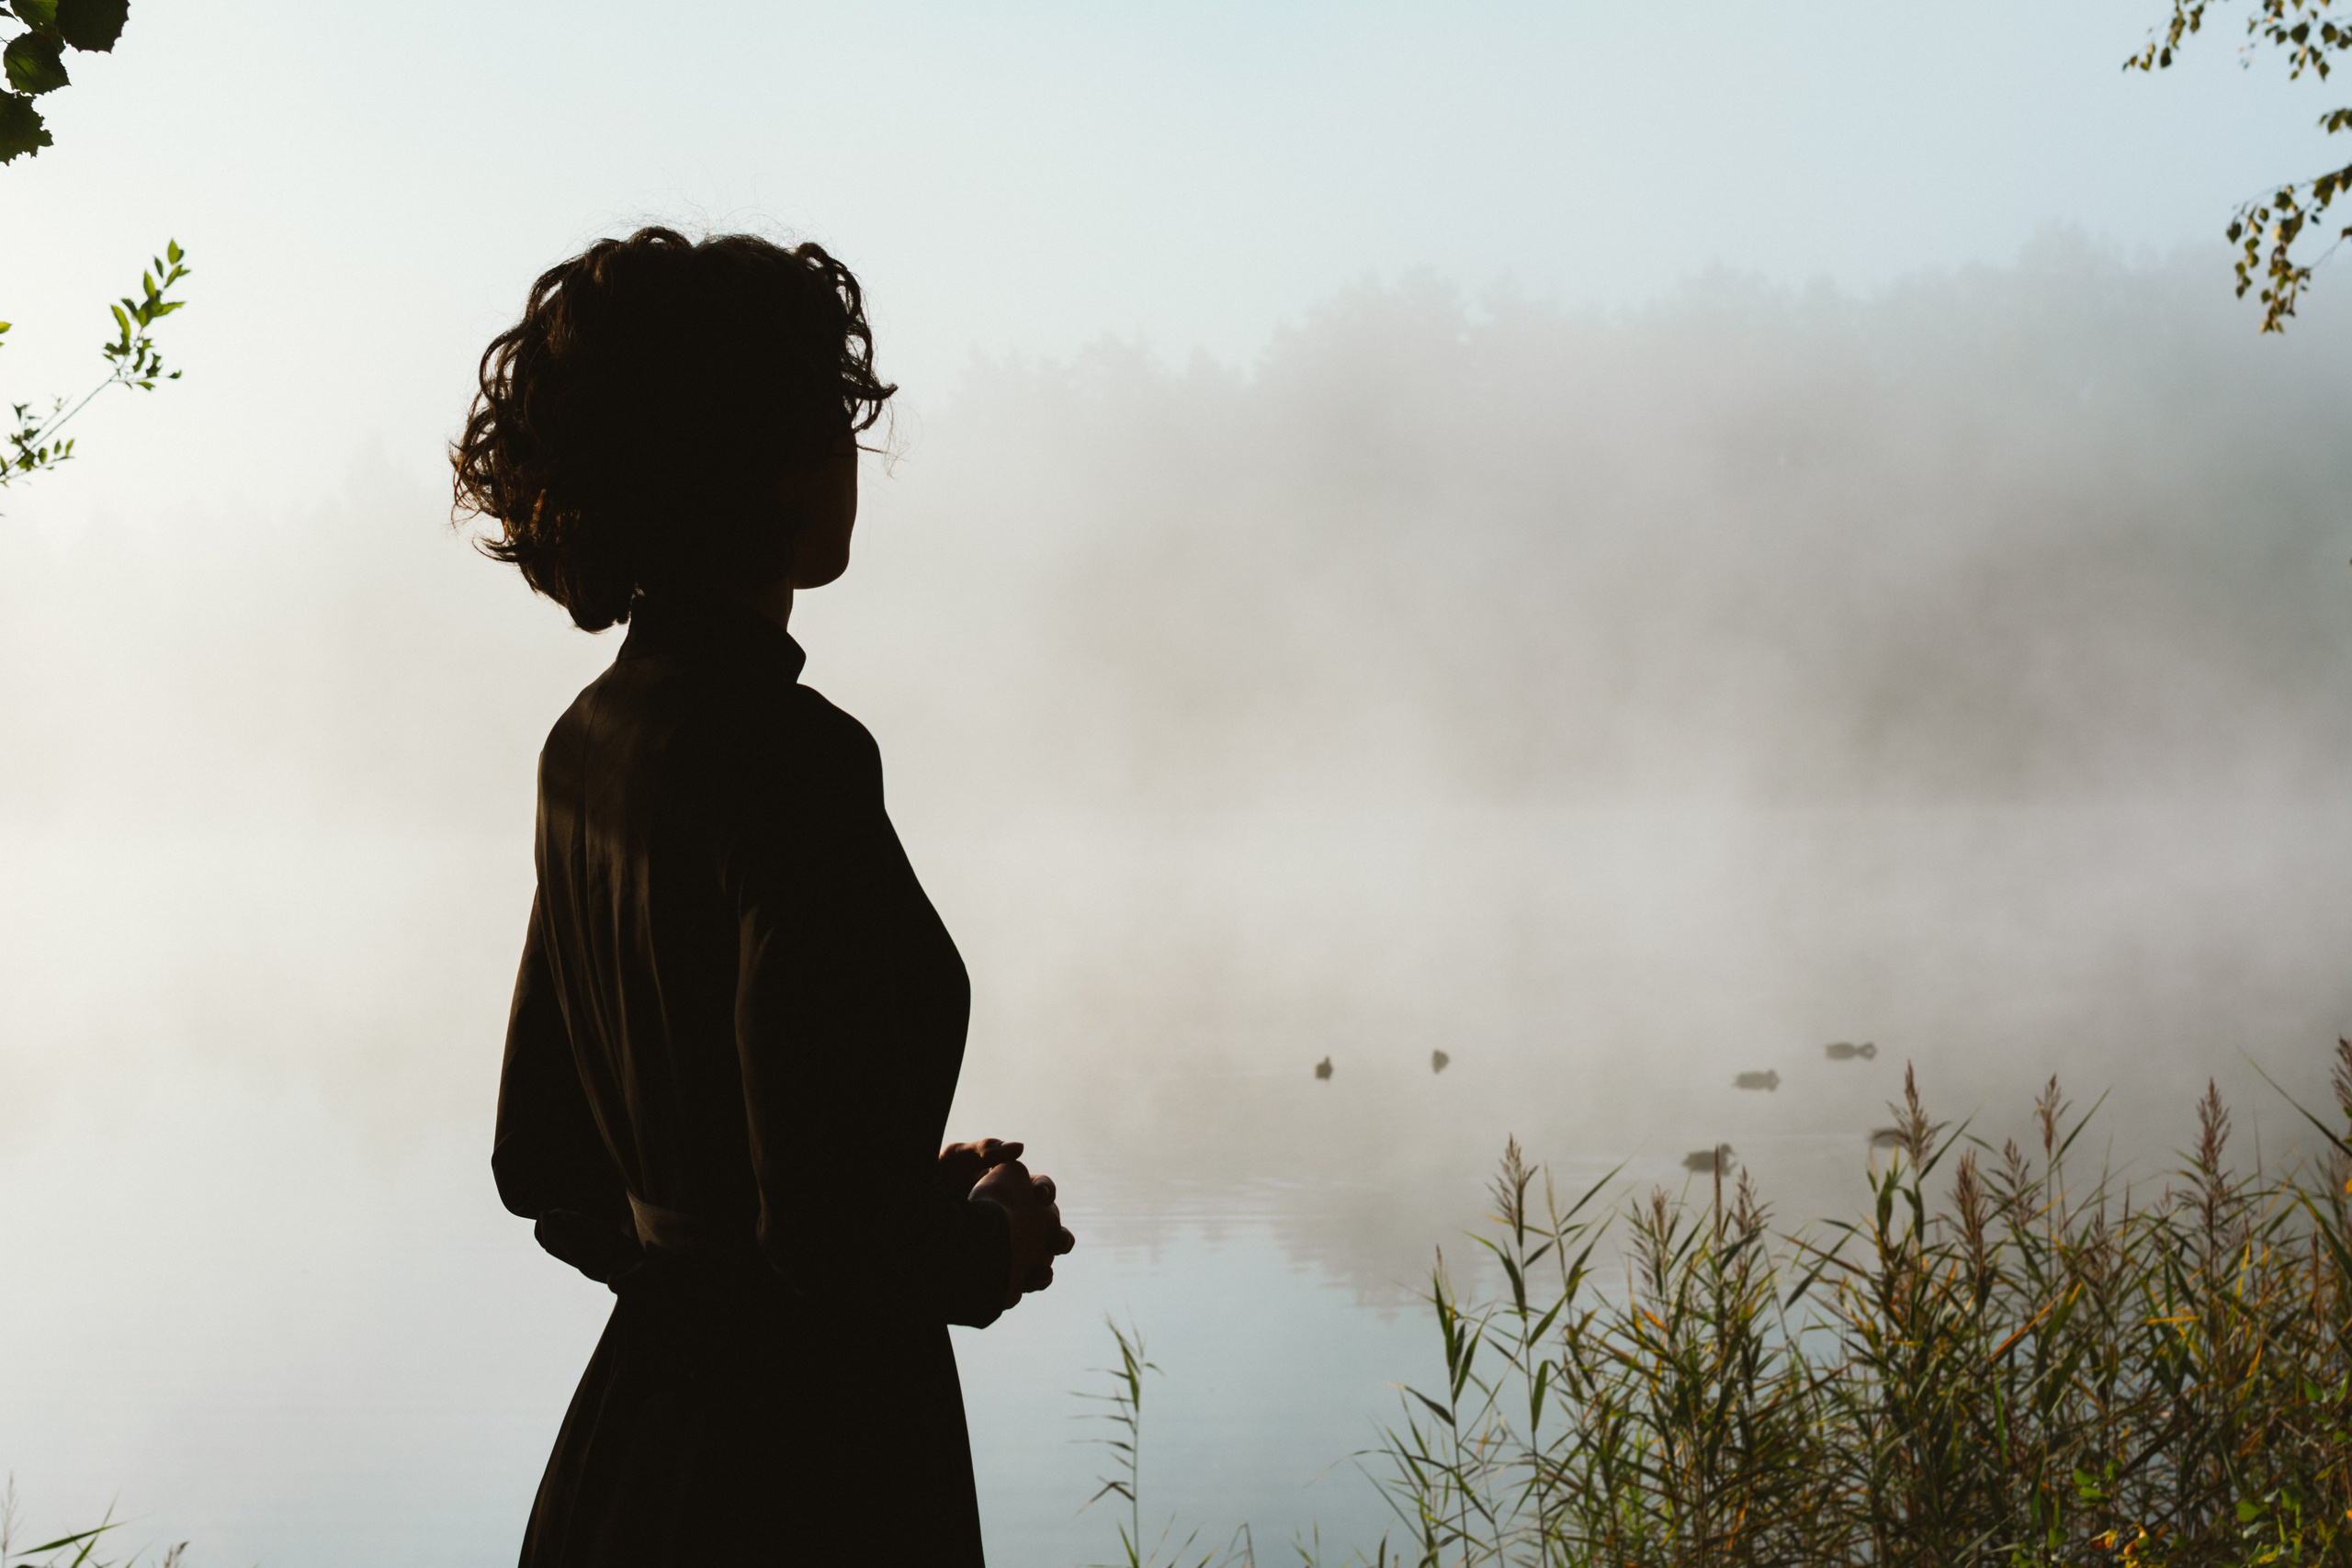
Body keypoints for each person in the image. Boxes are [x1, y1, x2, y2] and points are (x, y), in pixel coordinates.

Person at [453, 226, 1074, 1566]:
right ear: (760, 461)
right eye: (829, 422)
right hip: (812, 1479)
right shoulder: (795, 762)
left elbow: (545, 1166)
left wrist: (873, 1193)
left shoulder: (589, 744)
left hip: (631, 1462)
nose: (851, 457)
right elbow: (829, 1249)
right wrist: (987, 1239)